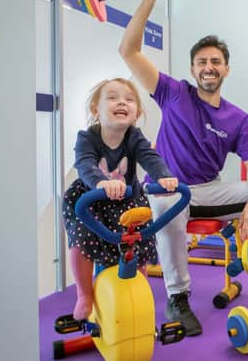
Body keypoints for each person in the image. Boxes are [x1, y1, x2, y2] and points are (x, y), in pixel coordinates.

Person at [118, 0, 248, 337]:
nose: (209, 66)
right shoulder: (172, 93)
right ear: (192, 69)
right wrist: (148, 1)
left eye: (216, 61)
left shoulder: (238, 118)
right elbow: (129, 51)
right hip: (169, 190)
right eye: (202, 61)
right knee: (166, 202)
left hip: (207, 190)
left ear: (226, 69)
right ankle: (179, 295)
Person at [62, 77, 178, 320]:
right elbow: (85, 164)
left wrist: (164, 177)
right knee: (82, 238)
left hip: (126, 200)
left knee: (138, 237)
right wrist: (101, 183)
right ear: (96, 109)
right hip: (90, 199)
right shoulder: (87, 137)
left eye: (129, 99)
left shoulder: (134, 137)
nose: (122, 102)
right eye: (112, 97)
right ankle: (84, 294)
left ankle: (139, 286)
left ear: (136, 112)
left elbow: (151, 158)